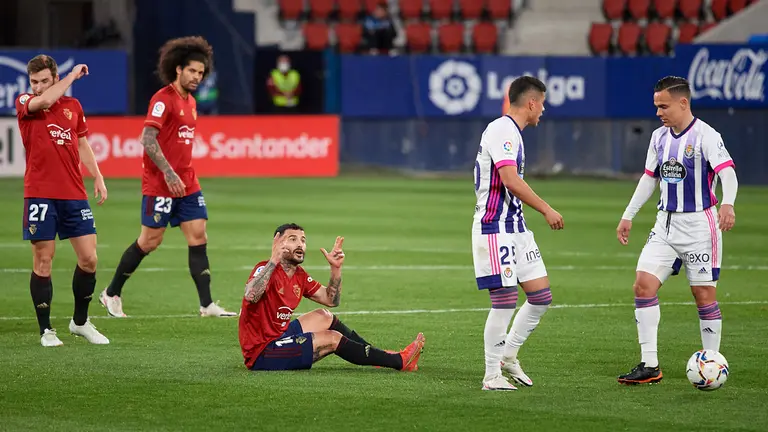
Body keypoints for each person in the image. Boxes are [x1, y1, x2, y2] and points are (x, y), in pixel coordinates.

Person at [99, 36, 236, 318]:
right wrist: (168, 170)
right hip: (161, 183)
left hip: (187, 182)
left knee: (198, 235)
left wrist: (179, 172)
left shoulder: (192, 103)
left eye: (201, 72)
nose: (197, 77)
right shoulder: (163, 100)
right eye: (192, 71)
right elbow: (147, 138)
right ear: (178, 69)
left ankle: (207, 304)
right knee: (150, 241)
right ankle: (111, 293)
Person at [616, 76, 738, 385]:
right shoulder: (658, 137)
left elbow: (728, 173)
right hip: (665, 224)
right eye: (656, 106)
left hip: (700, 225)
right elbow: (649, 178)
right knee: (643, 285)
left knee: (703, 294)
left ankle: (711, 365)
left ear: (683, 103)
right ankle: (650, 364)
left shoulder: (706, 136)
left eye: (663, 106)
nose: (658, 112)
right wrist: (628, 215)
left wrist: (728, 203)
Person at [472, 76, 564, 391]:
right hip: (495, 226)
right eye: (542, 103)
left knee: (540, 297)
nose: (543, 110)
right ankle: (491, 375)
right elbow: (509, 179)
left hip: (516, 227)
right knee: (505, 300)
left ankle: (508, 356)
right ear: (531, 102)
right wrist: (547, 209)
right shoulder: (502, 129)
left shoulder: (513, 133)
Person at [239, 223, 425, 372]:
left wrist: (335, 269)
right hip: (262, 351)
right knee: (333, 339)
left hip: (280, 336)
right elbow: (251, 295)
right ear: (278, 242)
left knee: (325, 316)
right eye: (292, 239)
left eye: (303, 240)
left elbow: (331, 300)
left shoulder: (299, 275)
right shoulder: (264, 268)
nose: (300, 245)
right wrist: (273, 259)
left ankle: (377, 356)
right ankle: (399, 361)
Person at [16, 54, 110, 346]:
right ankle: (46, 330)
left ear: (54, 78)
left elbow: (81, 142)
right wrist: (71, 78)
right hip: (40, 194)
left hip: (73, 194)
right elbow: (43, 102)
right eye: (34, 82)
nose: (39, 87)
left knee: (90, 259)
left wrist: (97, 175)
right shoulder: (25, 102)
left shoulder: (73, 107)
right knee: (43, 260)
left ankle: (80, 322)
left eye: (45, 81)